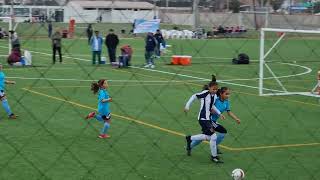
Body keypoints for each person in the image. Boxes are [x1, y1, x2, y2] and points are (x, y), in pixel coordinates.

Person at [190, 87, 241, 154]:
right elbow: (209, 107)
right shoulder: (215, 100)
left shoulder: (226, 101)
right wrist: (213, 111)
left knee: (204, 136)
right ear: (221, 94)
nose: (228, 95)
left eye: (229, 94)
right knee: (222, 131)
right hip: (208, 120)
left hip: (213, 121)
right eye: (226, 94)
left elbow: (229, 112)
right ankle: (214, 148)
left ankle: (190, 146)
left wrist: (236, 118)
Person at [184, 76, 223, 163]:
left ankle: (190, 138)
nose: (215, 91)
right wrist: (187, 105)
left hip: (208, 119)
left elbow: (212, 106)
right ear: (209, 88)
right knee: (213, 136)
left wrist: (219, 113)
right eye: (213, 89)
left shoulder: (214, 96)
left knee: (208, 136)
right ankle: (214, 157)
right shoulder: (205, 93)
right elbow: (194, 96)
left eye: (216, 89)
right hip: (203, 118)